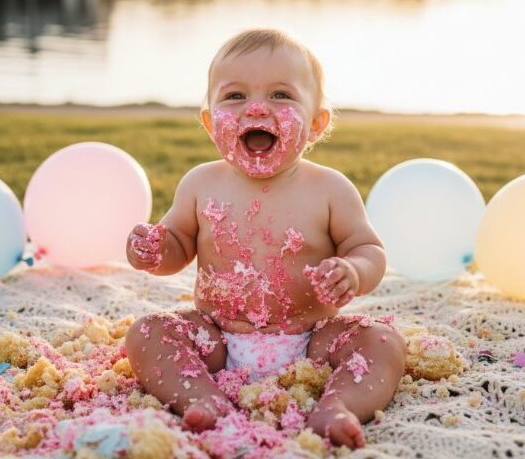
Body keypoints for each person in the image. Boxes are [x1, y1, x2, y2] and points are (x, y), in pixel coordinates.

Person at [124, 28, 406, 449]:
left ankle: (340, 405)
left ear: (316, 124)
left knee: (382, 342)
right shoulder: (200, 183)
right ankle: (201, 396)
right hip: (217, 337)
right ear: (209, 121)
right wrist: (153, 250)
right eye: (234, 96)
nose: (256, 108)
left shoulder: (330, 189)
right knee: (147, 332)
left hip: (313, 340)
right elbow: (178, 246)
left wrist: (353, 270)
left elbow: (369, 250)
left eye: (280, 95)